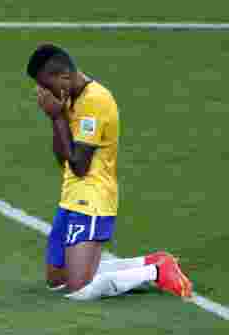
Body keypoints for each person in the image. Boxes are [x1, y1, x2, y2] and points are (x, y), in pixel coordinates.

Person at [26, 43, 193, 301]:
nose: (43, 92)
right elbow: (64, 160)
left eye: (46, 86)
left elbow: (80, 167)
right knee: (57, 280)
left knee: (79, 289)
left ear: (65, 77)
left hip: (92, 198)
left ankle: (156, 271)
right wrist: (55, 119)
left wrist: (58, 119)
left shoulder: (95, 101)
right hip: (71, 194)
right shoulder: (69, 98)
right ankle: (150, 260)